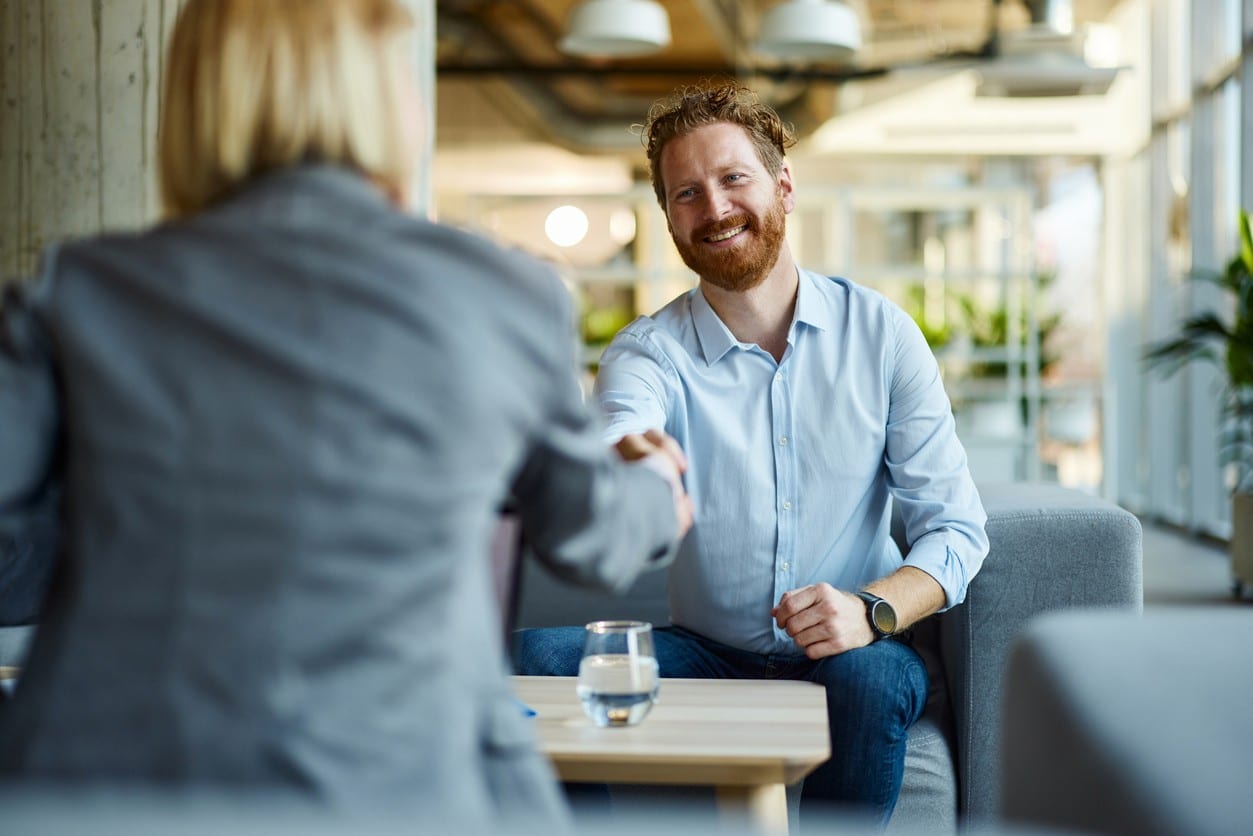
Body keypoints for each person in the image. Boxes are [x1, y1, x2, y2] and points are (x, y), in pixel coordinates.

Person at [0, 0, 691, 828]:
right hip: (395, 784)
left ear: (193, 100)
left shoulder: (80, 292)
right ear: (379, 99)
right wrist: (657, 486)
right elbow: (592, 538)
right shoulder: (497, 296)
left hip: (104, 791)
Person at [513, 82, 989, 825]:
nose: (715, 208)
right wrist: (631, 468)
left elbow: (956, 530)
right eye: (686, 194)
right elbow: (619, 430)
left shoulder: (881, 336)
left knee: (868, 679)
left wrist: (872, 610)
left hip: (853, 653)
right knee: (534, 658)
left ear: (784, 186)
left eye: (733, 179)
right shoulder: (649, 351)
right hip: (705, 655)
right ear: (668, 216)